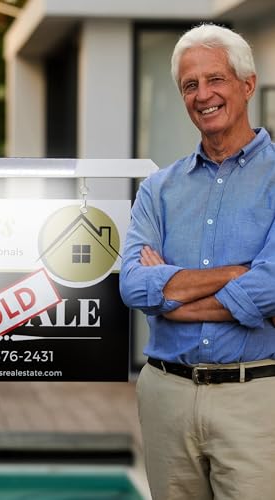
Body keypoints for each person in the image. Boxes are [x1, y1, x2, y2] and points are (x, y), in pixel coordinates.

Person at [120, 24, 275, 500]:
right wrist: (236, 273)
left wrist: (171, 296)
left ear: (247, 85)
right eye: (190, 85)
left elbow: (270, 287)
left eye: (215, 79)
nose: (202, 95)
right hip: (166, 396)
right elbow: (134, 285)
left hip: (254, 397)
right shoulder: (158, 189)